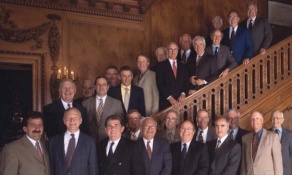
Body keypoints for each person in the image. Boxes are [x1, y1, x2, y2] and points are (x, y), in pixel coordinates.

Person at [49, 108, 98, 175]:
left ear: (80, 120)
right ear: (64, 120)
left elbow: (93, 168)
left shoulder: (90, 142)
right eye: (69, 117)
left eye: (76, 117)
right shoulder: (53, 141)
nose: (72, 121)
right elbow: (52, 167)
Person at [82, 76, 124, 141]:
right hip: (89, 139)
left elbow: (120, 123)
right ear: (95, 87)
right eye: (99, 84)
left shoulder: (116, 103)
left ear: (108, 87)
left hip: (109, 139)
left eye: (104, 84)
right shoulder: (85, 103)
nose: (101, 87)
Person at [156, 42, 189, 110]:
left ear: (178, 51)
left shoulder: (183, 66)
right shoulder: (161, 66)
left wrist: (183, 94)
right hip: (166, 102)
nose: (173, 51)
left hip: (181, 102)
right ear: (167, 51)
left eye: (175, 49)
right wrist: (170, 98)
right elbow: (160, 84)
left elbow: (186, 83)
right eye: (170, 49)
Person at [269, 109, 292, 175]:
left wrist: (285, 162)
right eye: (273, 118)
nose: (275, 120)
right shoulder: (266, 134)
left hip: (285, 171)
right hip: (270, 170)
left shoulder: (289, 134)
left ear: (282, 120)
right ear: (270, 120)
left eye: (277, 118)